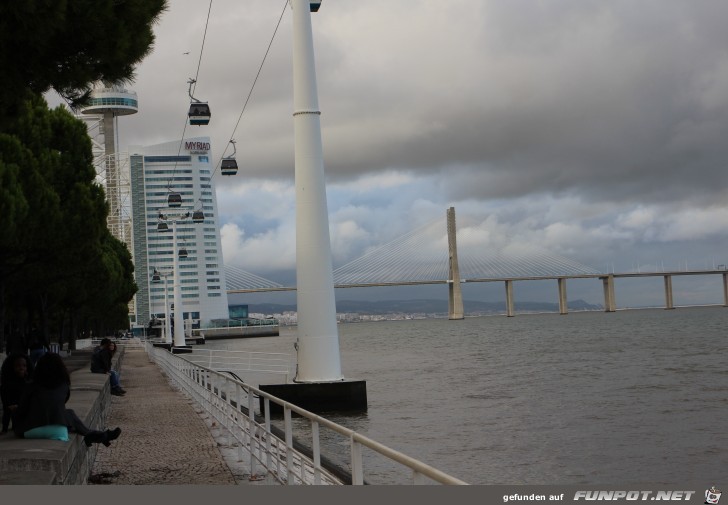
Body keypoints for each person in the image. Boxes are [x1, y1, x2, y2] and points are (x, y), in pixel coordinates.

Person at [13, 353, 121, 446]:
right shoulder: (63, 385)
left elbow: (21, 410)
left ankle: (93, 435)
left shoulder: (31, 385)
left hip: (30, 430)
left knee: (67, 413)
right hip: (57, 428)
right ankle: (94, 435)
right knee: (68, 413)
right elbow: (59, 405)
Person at [1, 353, 33, 433]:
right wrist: (9, 404)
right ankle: (6, 427)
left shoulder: (27, 381)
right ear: (12, 367)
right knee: (8, 413)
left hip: (22, 407)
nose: (21, 368)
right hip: (11, 404)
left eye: (24, 366)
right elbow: (5, 398)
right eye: (18, 366)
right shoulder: (7, 383)